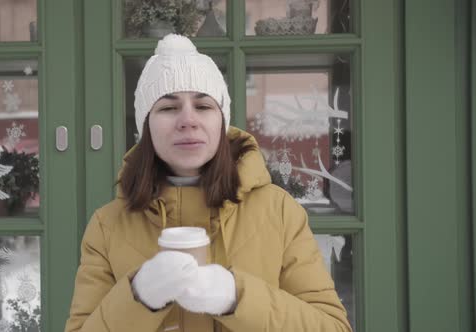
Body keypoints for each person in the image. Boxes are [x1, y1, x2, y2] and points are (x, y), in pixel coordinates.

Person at [64, 34, 352, 332]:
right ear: (146, 127)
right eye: (168, 108)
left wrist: (236, 297)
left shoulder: (278, 211)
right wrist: (137, 297)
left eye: (203, 106)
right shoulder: (107, 226)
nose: (188, 120)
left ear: (222, 122)